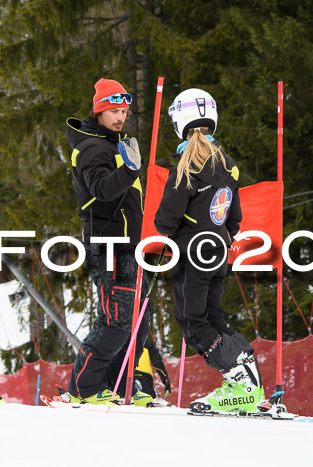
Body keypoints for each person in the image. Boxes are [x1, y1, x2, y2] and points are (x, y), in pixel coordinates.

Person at [154, 88, 264, 413]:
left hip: (193, 255)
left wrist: (182, 235)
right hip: (217, 253)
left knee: (192, 321)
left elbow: (165, 221)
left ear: (179, 123)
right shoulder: (228, 166)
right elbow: (234, 218)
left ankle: (237, 378)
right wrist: (219, 239)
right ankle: (244, 371)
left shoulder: (185, 169)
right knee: (213, 316)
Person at [64, 78, 153, 406]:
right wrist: (129, 170)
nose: (120, 117)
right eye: (113, 110)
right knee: (117, 319)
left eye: (124, 111)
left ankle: (119, 384)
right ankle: (83, 388)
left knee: (139, 321)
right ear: (98, 110)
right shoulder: (90, 147)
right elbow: (100, 191)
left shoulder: (116, 143)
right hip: (108, 242)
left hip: (133, 244)